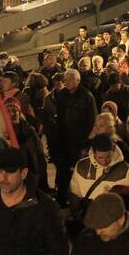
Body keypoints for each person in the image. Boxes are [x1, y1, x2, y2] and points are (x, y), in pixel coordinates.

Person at [52, 68, 98, 206]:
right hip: (65, 140)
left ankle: (82, 200)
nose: (65, 81)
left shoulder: (86, 96)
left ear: (77, 80)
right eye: (65, 79)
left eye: (69, 79)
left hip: (80, 141)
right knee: (63, 170)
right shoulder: (62, 95)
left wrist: (87, 143)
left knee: (81, 171)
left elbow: (92, 120)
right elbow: (59, 117)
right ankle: (61, 199)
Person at [69, 134, 129, 220]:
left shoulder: (126, 170)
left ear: (113, 151)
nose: (104, 162)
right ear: (93, 152)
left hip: (113, 218)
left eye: (108, 157)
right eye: (100, 157)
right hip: (88, 216)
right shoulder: (81, 166)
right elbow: (74, 192)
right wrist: (76, 214)